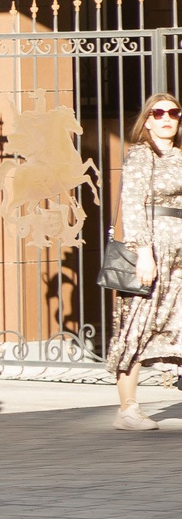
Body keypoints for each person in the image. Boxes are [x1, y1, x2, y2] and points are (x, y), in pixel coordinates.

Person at [110, 95, 182, 431]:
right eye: (159, 113)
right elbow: (133, 206)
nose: (167, 118)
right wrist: (143, 253)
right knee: (136, 327)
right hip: (153, 253)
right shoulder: (141, 155)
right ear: (148, 120)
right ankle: (128, 410)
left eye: (173, 113)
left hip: (179, 256)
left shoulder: (180, 156)